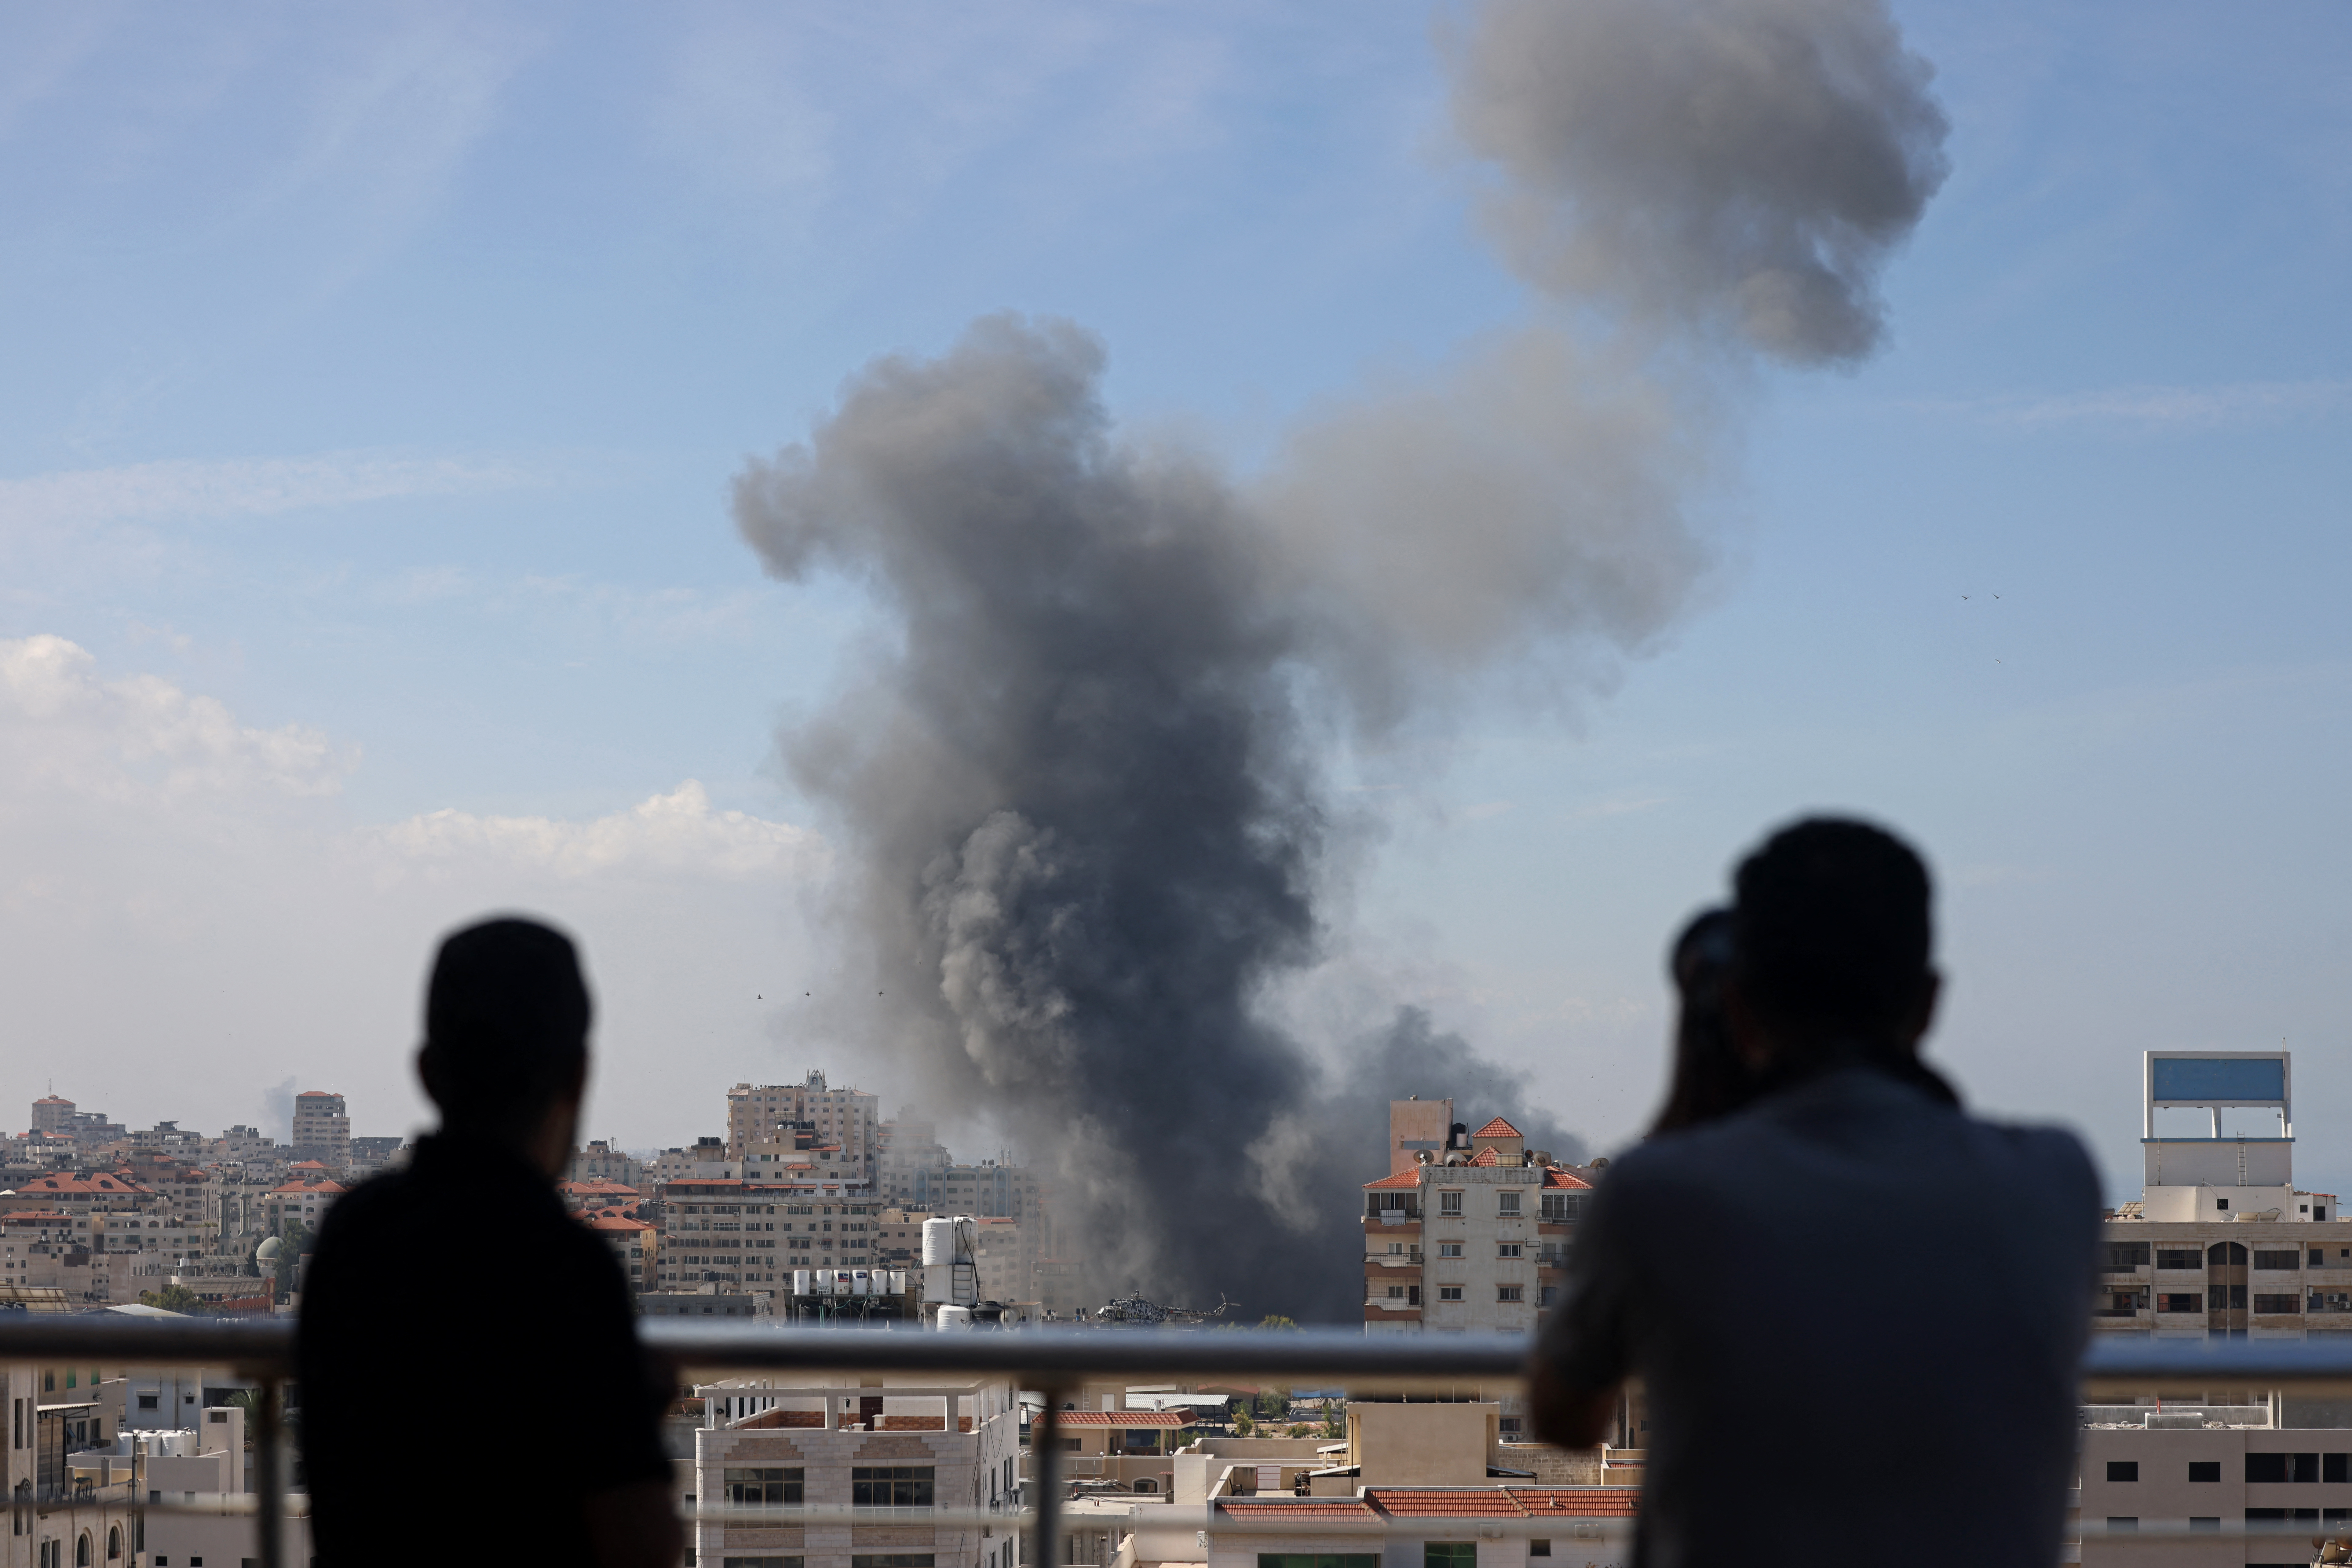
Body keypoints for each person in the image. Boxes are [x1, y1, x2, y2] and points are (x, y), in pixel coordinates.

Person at [1528, 817, 2099, 1568]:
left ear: (1736, 1007)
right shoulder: (2057, 1179)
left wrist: (1688, 1104)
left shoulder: (1660, 1193)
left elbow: (1563, 1416)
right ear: (1928, 1003)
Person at [298, 917, 680, 1568]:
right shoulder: (566, 1268)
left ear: (425, 1071)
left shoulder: (353, 1235)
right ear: (578, 1077)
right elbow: (642, 1542)